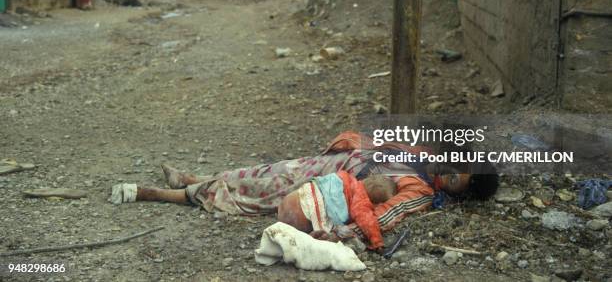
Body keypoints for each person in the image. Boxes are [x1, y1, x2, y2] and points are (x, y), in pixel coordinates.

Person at [111, 131, 499, 237]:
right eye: (456, 165)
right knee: (263, 171)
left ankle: (160, 194)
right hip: (328, 160)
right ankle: (197, 179)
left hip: (331, 183)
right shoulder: (421, 153)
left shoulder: (421, 192)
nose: (449, 172)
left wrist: (343, 232)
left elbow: (384, 214)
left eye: (457, 180)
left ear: (459, 192)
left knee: (257, 191)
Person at [277, 172, 398, 250]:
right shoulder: (362, 202)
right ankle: (312, 238)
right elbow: (367, 221)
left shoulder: (345, 176)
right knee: (339, 233)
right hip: (306, 213)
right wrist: (377, 241)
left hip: (292, 200)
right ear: (377, 203)